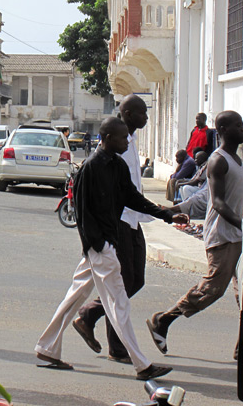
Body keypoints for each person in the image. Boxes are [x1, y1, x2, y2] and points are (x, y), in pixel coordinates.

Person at [34, 116, 188, 380]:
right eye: (121, 137)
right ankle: (142, 365)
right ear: (106, 138)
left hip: (105, 245)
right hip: (100, 246)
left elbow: (131, 198)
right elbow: (81, 213)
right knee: (119, 303)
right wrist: (96, 246)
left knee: (76, 297)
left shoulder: (117, 165)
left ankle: (47, 347)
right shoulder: (90, 168)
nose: (127, 141)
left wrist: (166, 214)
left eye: (127, 136)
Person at [147, 110, 243, 355]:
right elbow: (218, 203)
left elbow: (205, 196)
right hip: (223, 236)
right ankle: (163, 320)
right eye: (238, 125)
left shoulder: (237, 159)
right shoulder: (218, 160)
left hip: (237, 235)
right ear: (223, 130)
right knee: (212, 289)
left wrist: (176, 209)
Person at [74, 94, 152, 364]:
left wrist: (162, 212)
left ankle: (89, 314)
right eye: (143, 113)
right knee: (123, 282)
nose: (146, 117)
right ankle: (116, 346)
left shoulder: (128, 142)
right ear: (128, 114)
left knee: (136, 280)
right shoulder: (114, 145)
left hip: (133, 219)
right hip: (118, 222)